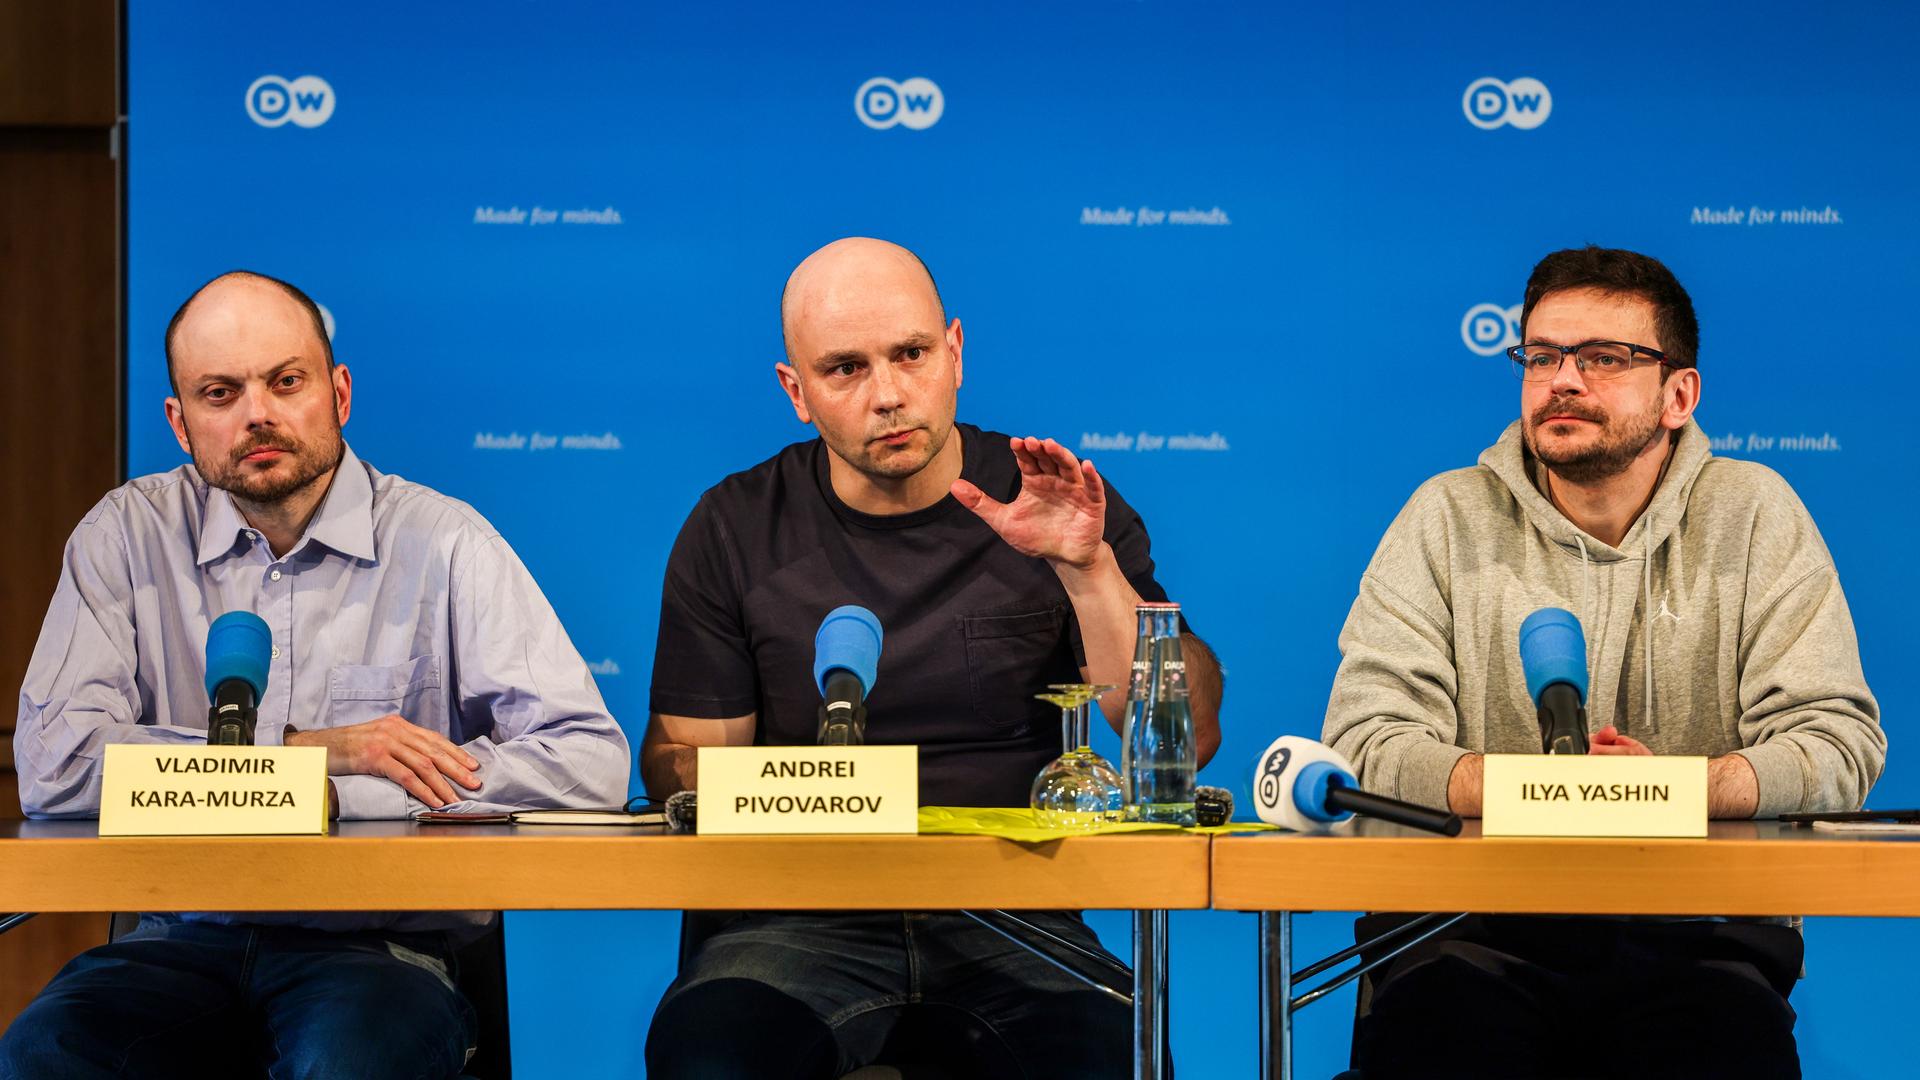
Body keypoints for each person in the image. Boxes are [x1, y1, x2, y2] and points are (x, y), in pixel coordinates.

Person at [3, 271, 630, 1079]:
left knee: (350, 1061)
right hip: (180, 941)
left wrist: (359, 792)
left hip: (378, 948)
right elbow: (54, 765)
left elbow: (590, 759)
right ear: (181, 423)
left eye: (285, 382)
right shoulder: (125, 538)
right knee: (45, 1053)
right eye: (220, 393)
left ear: (338, 393)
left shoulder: (445, 541)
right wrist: (310, 757)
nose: (256, 414)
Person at [641, 237, 1223, 1077]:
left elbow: (1192, 735)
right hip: (798, 920)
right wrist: (718, 782)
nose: (888, 395)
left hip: (1019, 916)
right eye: (845, 369)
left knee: (1111, 1057)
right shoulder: (734, 526)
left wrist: (1088, 570)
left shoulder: (1050, 499)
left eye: (911, 354)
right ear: (795, 392)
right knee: (713, 1057)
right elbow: (688, 763)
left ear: (954, 351)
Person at [1324, 245, 1885, 1079]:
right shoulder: (1445, 517)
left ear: (1678, 395)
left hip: (1697, 936)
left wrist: (1669, 790)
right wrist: (1548, 791)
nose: (1562, 379)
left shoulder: (1754, 513)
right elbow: (1367, 742)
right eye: (1542, 356)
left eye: (1604, 359)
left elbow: (1837, 746)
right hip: (1465, 934)